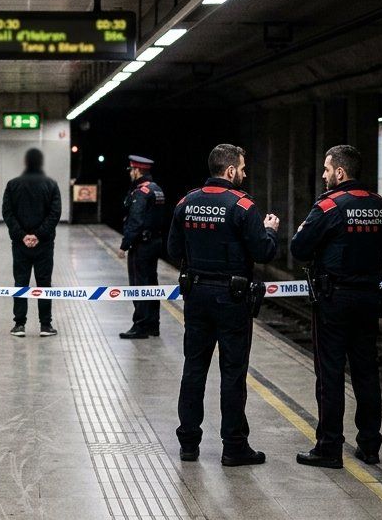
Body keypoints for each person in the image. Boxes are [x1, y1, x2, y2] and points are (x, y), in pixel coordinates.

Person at [167, 143, 279, 466]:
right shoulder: (243, 206)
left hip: (197, 296)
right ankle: (233, 447)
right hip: (233, 299)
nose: (244, 174)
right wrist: (270, 231)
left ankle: (188, 443)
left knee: (194, 368)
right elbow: (262, 251)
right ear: (230, 171)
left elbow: (174, 249)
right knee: (232, 373)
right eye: (242, 168)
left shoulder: (186, 202)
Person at [290, 144, 382, 468]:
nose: (323, 175)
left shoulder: (329, 205)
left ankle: (329, 447)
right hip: (368, 298)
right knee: (366, 371)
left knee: (330, 373)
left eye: (326, 169)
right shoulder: (379, 206)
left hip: (335, 300)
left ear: (340, 172)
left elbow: (299, 248)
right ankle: (370, 445)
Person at [2, 148, 61, 337]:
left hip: (20, 245)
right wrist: (38, 235)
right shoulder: (51, 185)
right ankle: (45, 325)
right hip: (44, 244)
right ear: (40, 162)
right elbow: (55, 214)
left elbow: (7, 212)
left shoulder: (13, 184)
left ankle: (19, 325)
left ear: (26, 162)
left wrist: (22, 235)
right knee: (44, 283)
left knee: (21, 282)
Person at [117, 155, 166, 339]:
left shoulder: (141, 192)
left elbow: (135, 221)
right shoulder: (157, 189)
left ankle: (140, 326)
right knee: (151, 284)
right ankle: (153, 325)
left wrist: (124, 245)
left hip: (141, 245)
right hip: (154, 243)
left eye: (131, 170)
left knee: (139, 285)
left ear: (138, 171)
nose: (130, 173)